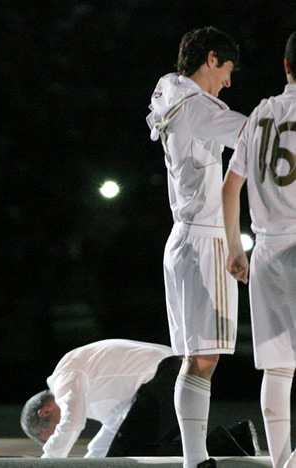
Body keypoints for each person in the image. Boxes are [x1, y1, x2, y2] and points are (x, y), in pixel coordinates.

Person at [146, 26, 247, 468]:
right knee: (203, 358)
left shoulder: (172, 94)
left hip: (183, 237)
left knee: (198, 357)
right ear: (210, 59)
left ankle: (195, 459)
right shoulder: (199, 109)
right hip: (203, 238)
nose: (228, 81)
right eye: (226, 70)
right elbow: (257, 136)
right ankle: (194, 461)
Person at [222, 30, 296, 468]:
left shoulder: (262, 113)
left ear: (286, 66)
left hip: (267, 252)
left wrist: (235, 247)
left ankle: (281, 462)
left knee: (278, 367)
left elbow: (231, 188)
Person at [20, 339, 260, 459]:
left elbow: (71, 423)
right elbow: (116, 428)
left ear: (45, 411)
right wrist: (92, 461)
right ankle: (234, 440)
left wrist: (48, 462)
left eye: (51, 435)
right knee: (133, 452)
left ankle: (229, 443)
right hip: (173, 377)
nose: (59, 435)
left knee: (131, 451)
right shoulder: (93, 393)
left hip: (166, 377)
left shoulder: (64, 376)